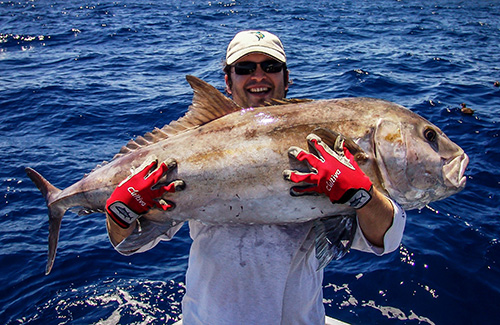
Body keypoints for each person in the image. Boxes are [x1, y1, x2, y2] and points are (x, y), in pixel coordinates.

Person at [104, 30, 406, 325]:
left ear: (287, 79)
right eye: (245, 68)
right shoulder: (193, 145)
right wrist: (120, 212)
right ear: (228, 81)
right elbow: (129, 242)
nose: (259, 76)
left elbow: (386, 240)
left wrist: (362, 195)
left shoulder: (323, 143)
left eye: (271, 67)